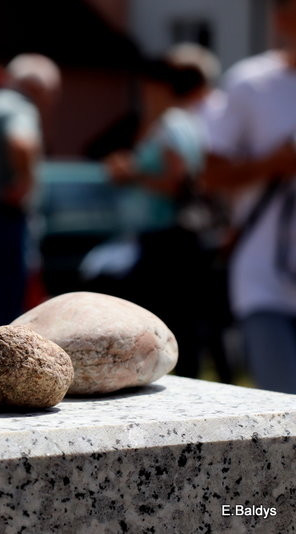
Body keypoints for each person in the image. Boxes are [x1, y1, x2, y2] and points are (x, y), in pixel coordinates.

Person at [103, 45, 227, 380]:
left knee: (169, 318)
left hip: (166, 239)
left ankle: (176, 380)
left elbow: (175, 181)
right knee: (186, 318)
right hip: (177, 238)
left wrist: (131, 173)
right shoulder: (186, 121)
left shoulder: (170, 123)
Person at [202, 0, 296, 394]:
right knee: (284, 412)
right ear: (281, 16)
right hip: (265, 280)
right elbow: (210, 174)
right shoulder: (250, 83)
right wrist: (272, 164)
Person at [0, 54, 60, 338]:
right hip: (6, 218)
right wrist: (25, 185)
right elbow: (21, 142)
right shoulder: (21, 108)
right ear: (38, 88)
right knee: (7, 314)